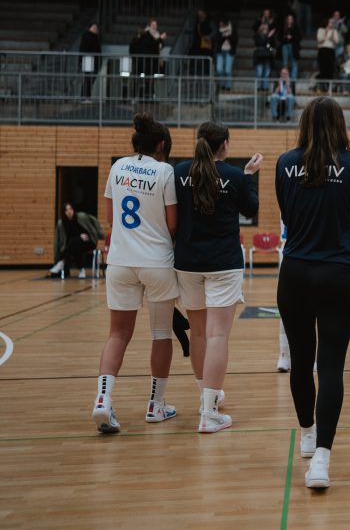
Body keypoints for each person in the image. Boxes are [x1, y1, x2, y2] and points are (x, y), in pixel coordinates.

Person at [275, 97, 350, 488]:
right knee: (330, 366)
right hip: (336, 273)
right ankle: (322, 461)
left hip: (294, 271)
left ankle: (308, 432)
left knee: (301, 361)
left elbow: (286, 212)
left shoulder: (284, 163)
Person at [92, 113, 180, 434]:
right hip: (157, 262)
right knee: (160, 334)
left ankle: (103, 400)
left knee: (117, 334)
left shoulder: (117, 167)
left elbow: (110, 219)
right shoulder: (165, 171)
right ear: (161, 144)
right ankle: (156, 406)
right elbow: (173, 224)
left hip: (120, 261)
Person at [174, 122, 261, 433]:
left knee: (198, 333)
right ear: (225, 144)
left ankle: (206, 398)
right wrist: (249, 177)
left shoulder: (180, 171)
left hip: (186, 262)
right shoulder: (236, 175)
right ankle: (209, 413)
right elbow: (251, 208)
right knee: (217, 336)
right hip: (223, 263)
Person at [51, 203, 103, 279]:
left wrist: (97, 232)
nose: (69, 211)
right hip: (74, 245)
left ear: (73, 210)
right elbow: (59, 240)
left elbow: (94, 220)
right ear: (64, 212)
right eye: (66, 210)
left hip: (88, 242)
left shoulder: (81, 217)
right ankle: (81, 269)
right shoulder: (62, 223)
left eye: (70, 209)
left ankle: (62, 261)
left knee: (74, 242)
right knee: (75, 245)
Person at [315, 16, 341, 88]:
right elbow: (320, 40)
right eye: (330, 22)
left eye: (332, 23)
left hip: (330, 50)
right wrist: (326, 32)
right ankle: (322, 85)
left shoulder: (334, 31)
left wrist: (332, 34)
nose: (331, 24)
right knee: (323, 68)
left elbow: (337, 41)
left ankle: (328, 85)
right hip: (322, 50)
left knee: (330, 68)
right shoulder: (321, 30)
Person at [214, 19, 238, 92]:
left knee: (227, 70)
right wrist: (224, 36)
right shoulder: (218, 31)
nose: (221, 25)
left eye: (222, 24)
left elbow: (235, 41)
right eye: (220, 24)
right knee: (219, 69)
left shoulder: (232, 30)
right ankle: (222, 85)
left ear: (226, 24)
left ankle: (228, 86)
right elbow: (217, 40)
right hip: (220, 52)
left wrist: (229, 36)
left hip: (229, 52)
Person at [80, 23, 102, 100]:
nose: (96, 29)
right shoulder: (88, 36)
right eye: (94, 27)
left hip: (91, 61)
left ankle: (85, 97)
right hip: (88, 61)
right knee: (88, 79)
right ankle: (85, 97)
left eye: (96, 27)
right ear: (89, 28)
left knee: (89, 80)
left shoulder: (94, 37)